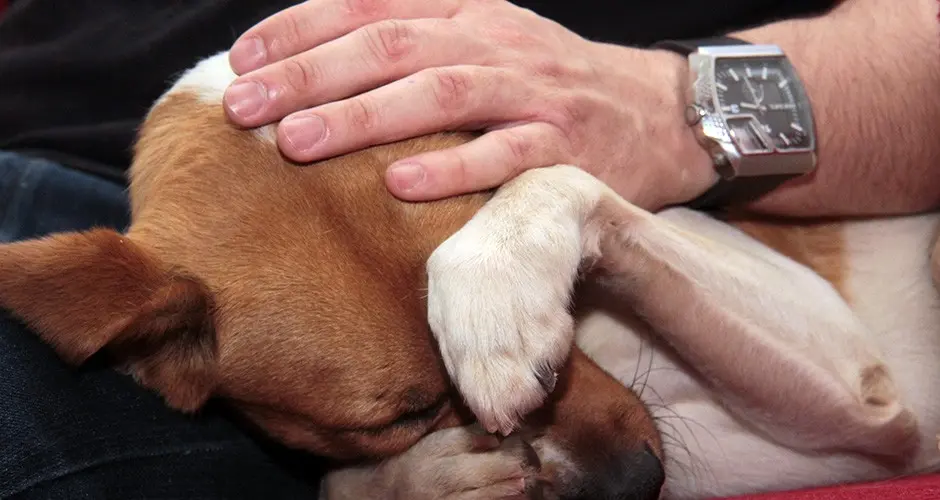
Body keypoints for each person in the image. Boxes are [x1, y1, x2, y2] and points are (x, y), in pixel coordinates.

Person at [0, 0, 934, 497]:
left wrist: (674, 105)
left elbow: (869, 411)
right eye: (409, 411)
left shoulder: (539, 192)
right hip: (64, 181)